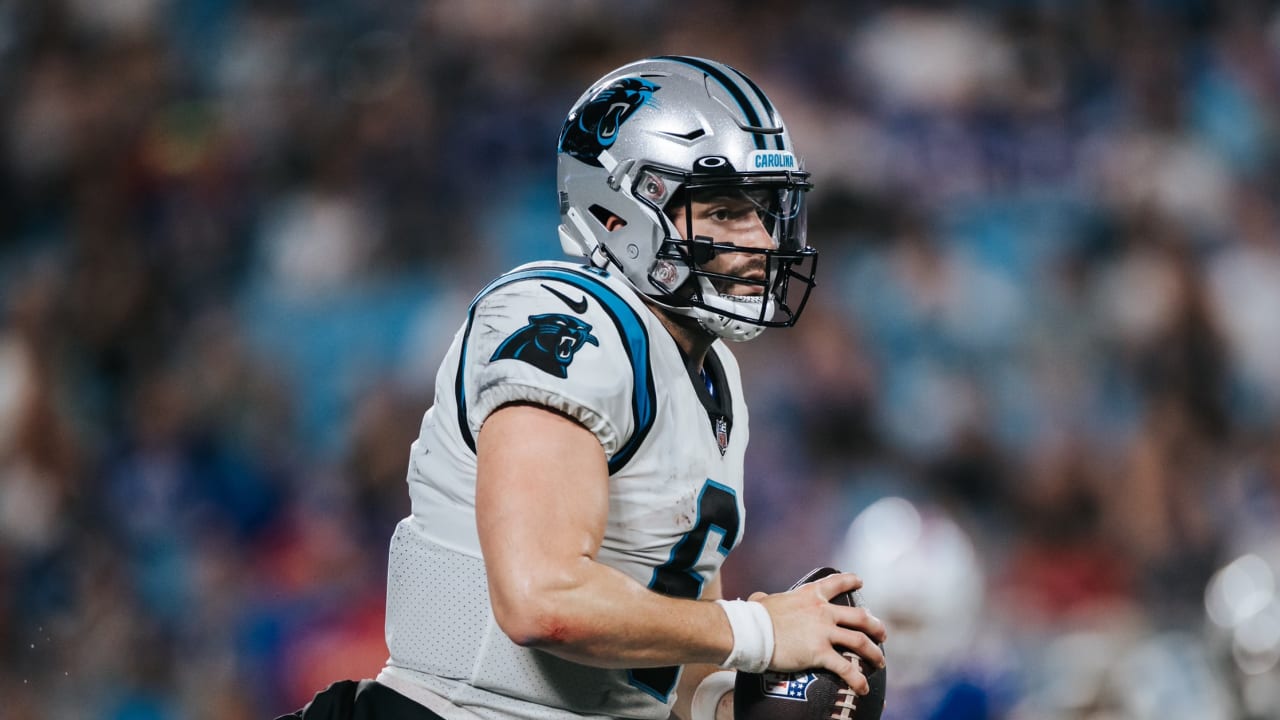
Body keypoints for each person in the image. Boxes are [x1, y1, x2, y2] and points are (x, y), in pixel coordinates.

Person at [279, 55, 886, 720]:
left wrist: (729, 702)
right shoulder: (568, 324)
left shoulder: (715, 380)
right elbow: (543, 600)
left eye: (767, 213)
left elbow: (651, 659)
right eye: (724, 211)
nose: (760, 241)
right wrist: (760, 634)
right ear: (620, 213)